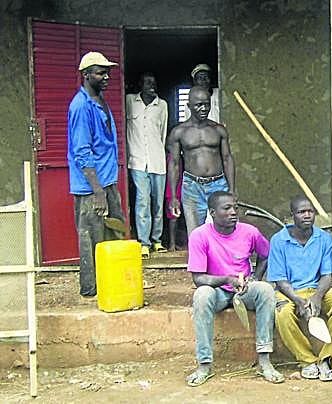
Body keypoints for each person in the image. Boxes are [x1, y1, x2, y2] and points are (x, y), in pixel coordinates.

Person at [185, 191, 284, 386]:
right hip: (218, 291)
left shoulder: (249, 232)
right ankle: (204, 364)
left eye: (235, 208)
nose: (233, 212)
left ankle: (264, 360)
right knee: (202, 295)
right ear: (212, 212)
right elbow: (198, 278)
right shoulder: (199, 235)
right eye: (227, 208)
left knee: (264, 290)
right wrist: (227, 280)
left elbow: (266, 254)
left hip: (244, 289)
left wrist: (255, 277)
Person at [267, 196, 332, 382]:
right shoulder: (278, 240)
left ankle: (328, 359)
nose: (307, 215)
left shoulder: (324, 238)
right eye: (301, 212)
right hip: (288, 292)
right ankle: (307, 360)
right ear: (292, 216)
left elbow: (327, 275)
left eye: (310, 211)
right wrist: (298, 300)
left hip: (316, 289)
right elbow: (280, 280)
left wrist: (317, 297)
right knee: (281, 313)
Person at [67, 51, 124, 298]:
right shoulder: (80, 106)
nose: (106, 76)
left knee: (113, 232)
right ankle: (91, 290)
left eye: (107, 71)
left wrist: (107, 187)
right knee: (91, 238)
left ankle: (112, 282)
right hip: (93, 187)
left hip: (107, 181)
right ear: (86, 75)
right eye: (101, 72)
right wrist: (98, 191)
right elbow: (82, 152)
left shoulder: (99, 100)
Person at [166, 86, 235, 236]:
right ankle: (200, 260)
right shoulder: (179, 132)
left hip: (218, 184)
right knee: (196, 234)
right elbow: (175, 164)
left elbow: (227, 159)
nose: (203, 108)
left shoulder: (218, 130)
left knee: (223, 232)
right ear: (189, 106)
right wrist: (173, 196)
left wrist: (232, 189)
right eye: (198, 105)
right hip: (192, 186)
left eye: (207, 104)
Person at [126, 72, 168, 259]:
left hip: (158, 161)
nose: (152, 86)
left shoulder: (162, 105)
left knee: (158, 202)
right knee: (143, 201)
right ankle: (144, 242)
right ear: (140, 85)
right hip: (137, 160)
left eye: (154, 83)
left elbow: (163, 133)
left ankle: (157, 240)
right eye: (147, 83)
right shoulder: (129, 101)